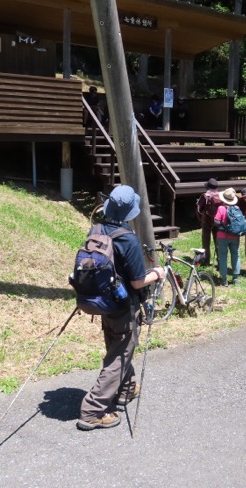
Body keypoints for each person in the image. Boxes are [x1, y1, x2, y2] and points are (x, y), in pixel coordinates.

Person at [77, 185, 165, 431]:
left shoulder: (96, 230)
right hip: (124, 305)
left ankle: (125, 389)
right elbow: (138, 281)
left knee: (118, 347)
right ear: (129, 212)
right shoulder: (127, 238)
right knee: (119, 355)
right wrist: (157, 274)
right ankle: (92, 411)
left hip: (102, 301)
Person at [214, 187, 242, 286]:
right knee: (236, 255)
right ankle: (235, 278)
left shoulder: (221, 208)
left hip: (222, 236)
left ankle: (224, 279)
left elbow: (216, 221)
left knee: (222, 256)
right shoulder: (237, 208)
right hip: (235, 236)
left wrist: (222, 225)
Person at [196, 178, 221, 267]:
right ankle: (220, 262)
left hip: (206, 221)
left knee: (206, 242)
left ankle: (206, 261)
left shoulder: (205, 196)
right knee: (218, 242)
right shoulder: (220, 195)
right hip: (218, 222)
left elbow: (199, 210)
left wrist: (200, 220)